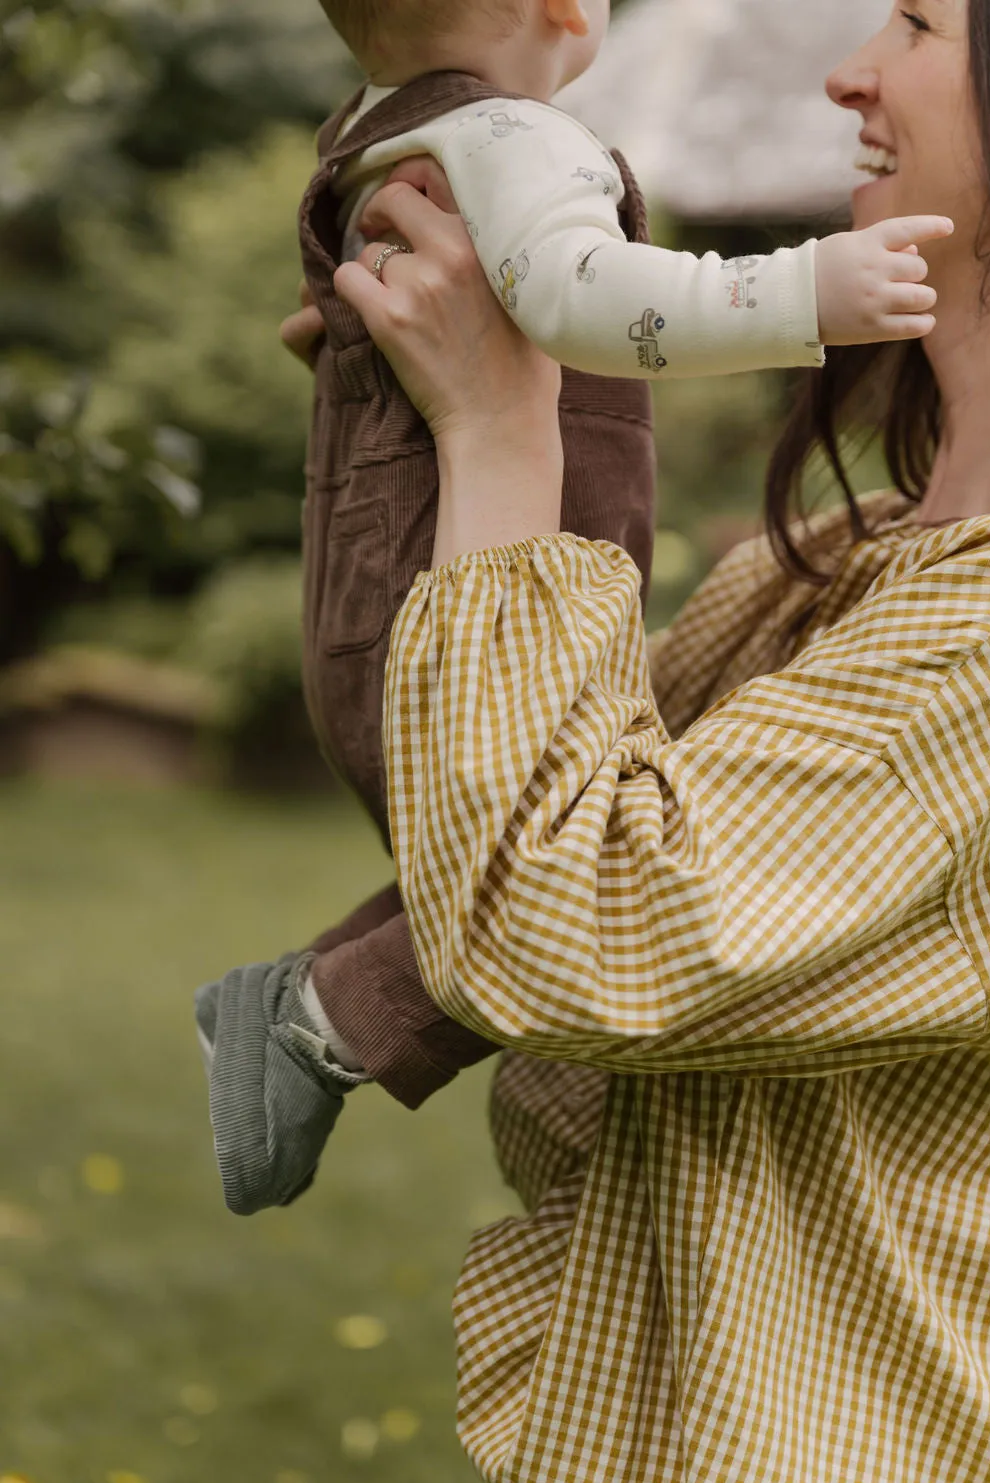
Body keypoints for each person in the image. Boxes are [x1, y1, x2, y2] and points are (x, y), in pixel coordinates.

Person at [321, 0, 990, 1483]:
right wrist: (422, 402)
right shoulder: (846, 561)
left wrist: (502, 428)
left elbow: (555, 925)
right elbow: (517, 773)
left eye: (913, 22)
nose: (847, 69)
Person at [195, 0, 949, 1218]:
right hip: (455, 619)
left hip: (388, 610)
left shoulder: (374, 133)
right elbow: (590, 298)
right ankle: (326, 1021)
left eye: (914, 23)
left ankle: (312, 1006)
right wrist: (804, 291)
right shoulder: (517, 138)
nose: (849, 68)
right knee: (538, 854)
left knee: (542, 832)